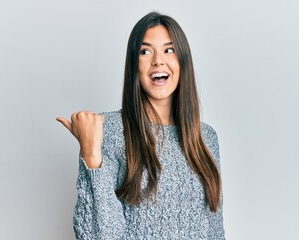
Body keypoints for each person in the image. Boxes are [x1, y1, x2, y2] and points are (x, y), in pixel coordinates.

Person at [56, 11, 225, 239]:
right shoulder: (108, 130)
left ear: (183, 60)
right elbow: (99, 235)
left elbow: (214, 230)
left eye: (169, 50)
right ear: (134, 64)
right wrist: (91, 154)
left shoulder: (205, 137)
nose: (158, 60)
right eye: (145, 51)